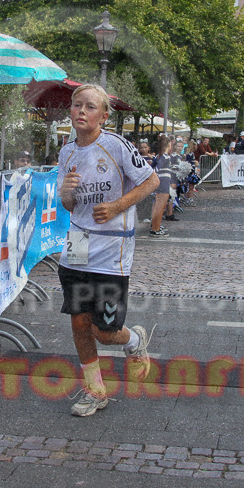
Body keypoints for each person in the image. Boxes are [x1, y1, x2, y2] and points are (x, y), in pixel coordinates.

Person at [56, 84, 159, 417]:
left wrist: (117, 206)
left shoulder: (115, 145)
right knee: (79, 323)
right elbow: (68, 206)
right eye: (76, 105)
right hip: (78, 244)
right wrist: (67, 193)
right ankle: (94, 390)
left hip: (112, 249)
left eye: (89, 107)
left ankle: (132, 341)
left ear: (103, 115)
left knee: (104, 331)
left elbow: (152, 181)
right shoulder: (66, 151)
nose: (81, 111)